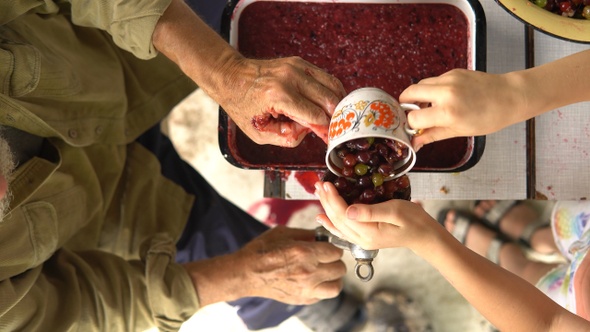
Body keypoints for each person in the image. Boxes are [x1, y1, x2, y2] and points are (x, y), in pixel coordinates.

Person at [0, 0, 373, 331]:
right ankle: (331, 313)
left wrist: (227, 71)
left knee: (245, 15)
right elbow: (86, 309)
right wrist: (245, 274)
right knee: (268, 269)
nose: (6, 189)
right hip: (108, 207)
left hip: (107, 51)